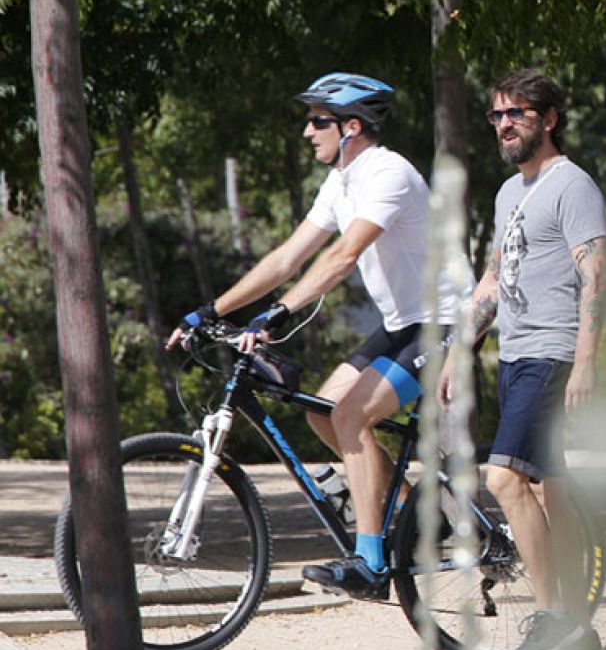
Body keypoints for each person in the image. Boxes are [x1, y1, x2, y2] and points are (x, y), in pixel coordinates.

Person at [167, 72, 461, 600]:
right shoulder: (342, 180)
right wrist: (210, 310)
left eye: (317, 121)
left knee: (351, 415)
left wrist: (276, 315)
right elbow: (287, 257)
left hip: (447, 321)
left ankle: (370, 567)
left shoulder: (387, 174)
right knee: (324, 409)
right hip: (403, 324)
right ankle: (419, 514)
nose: (308, 132)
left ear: (352, 127)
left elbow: (342, 257)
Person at [440, 68, 606, 650]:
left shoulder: (573, 186)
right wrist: (463, 349)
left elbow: (596, 276)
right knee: (552, 489)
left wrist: (585, 361)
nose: (504, 125)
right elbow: (492, 278)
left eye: (517, 114)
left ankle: (553, 617)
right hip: (514, 354)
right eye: (497, 115)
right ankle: (576, 633)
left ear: (549, 120)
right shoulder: (510, 192)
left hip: (552, 352)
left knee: (503, 478)